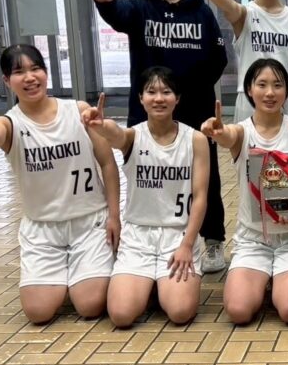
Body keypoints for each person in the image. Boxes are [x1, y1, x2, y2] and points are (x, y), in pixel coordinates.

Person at [0, 44, 120, 324]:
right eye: (19, 72)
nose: (30, 77)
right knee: (38, 312)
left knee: (90, 306)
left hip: (90, 222)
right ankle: (67, 274)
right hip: (42, 228)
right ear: (7, 81)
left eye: (36, 68)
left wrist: (114, 216)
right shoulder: (11, 124)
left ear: (46, 72)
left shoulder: (78, 111)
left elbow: (107, 163)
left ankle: (83, 272)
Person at [93, 0, 230, 273]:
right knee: (149, 177)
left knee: (205, 177)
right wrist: (106, 2)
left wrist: (191, 90)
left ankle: (212, 241)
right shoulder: (139, 8)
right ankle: (143, 241)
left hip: (194, 111)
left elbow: (218, 57)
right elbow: (119, 14)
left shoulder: (200, 10)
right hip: (149, 115)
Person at [201, 59, 288, 325]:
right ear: (249, 89)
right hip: (253, 239)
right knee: (238, 311)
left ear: (286, 91)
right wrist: (217, 131)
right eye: (262, 85)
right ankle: (267, 278)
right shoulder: (242, 132)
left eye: (277, 85)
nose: (270, 92)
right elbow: (227, 136)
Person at [81, 67, 209, 328]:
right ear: (141, 98)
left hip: (178, 235)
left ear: (177, 98)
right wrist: (101, 126)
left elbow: (200, 197)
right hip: (138, 237)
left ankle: (159, 285)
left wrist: (187, 244)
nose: (159, 98)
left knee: (180, 312)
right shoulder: (133, 136)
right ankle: (150, 284)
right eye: (151, 92)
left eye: (166, 92)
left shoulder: (195, 139)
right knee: (121, 315)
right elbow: (115, 135)